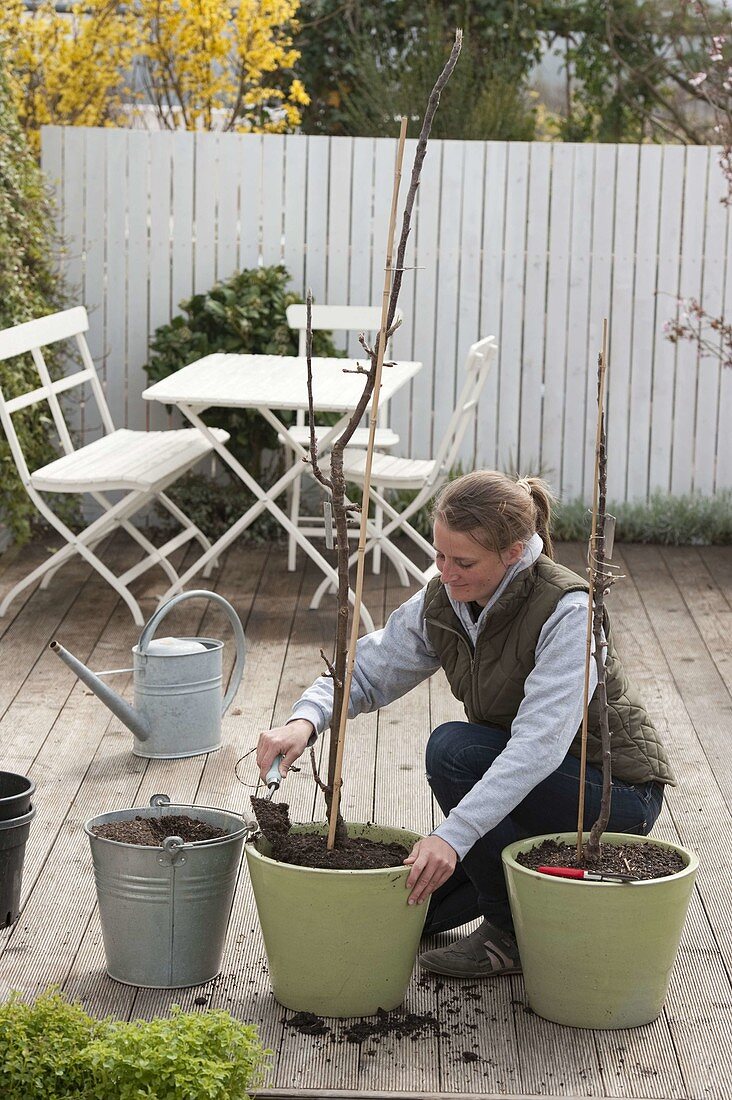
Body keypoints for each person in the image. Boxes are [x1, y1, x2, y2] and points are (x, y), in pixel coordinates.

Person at [256, 470, 674, 979]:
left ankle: (509, 935)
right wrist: (305, 721)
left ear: (514, 552)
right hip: (534, 782)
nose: (447, 573)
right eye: (440, 556)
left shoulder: (568, 611)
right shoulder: (445, 598)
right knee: (415, 908)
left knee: (453, 749)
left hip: (609, 795)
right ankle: (515, 890)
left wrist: (452, 837)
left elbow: (538, 747)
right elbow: (368, 671)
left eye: (465, 562)